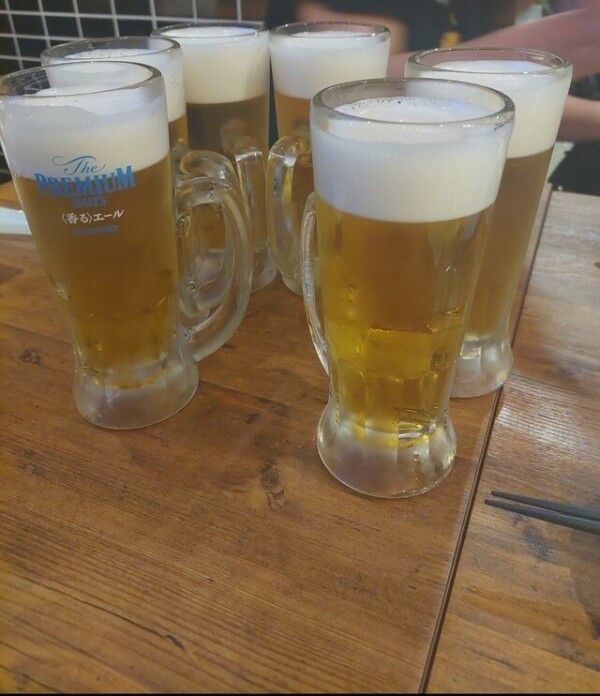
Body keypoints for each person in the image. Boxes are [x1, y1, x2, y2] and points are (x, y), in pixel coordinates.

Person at [265, 0, 600, 195]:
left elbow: (508, 106)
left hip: (451, 193)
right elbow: (346, 88)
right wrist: (578, 32)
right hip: (354, 189)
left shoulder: (482, 7)